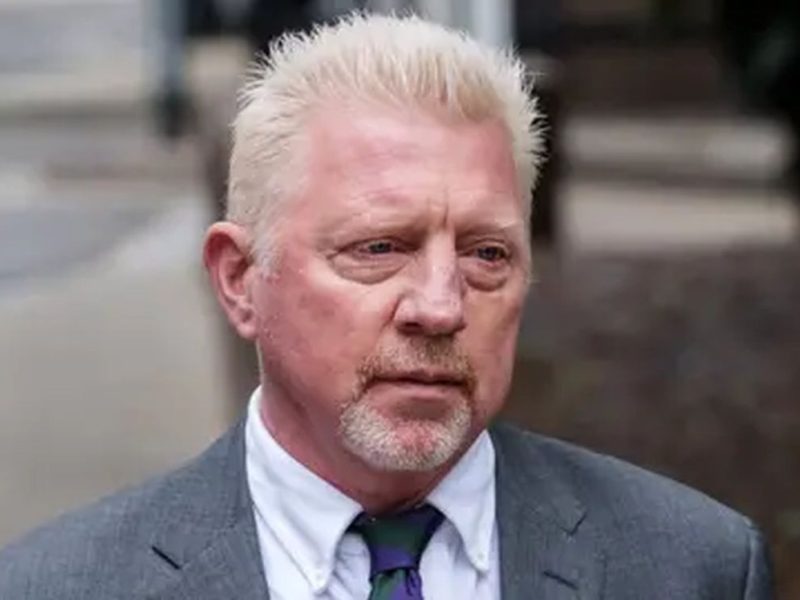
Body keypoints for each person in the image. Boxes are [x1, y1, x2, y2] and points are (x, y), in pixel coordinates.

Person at [0, 13, 774, 600]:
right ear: (239, 279)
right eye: (378, 248)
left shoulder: (691, 567)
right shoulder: (61, 586)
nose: (440, 307)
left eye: (486, 254)